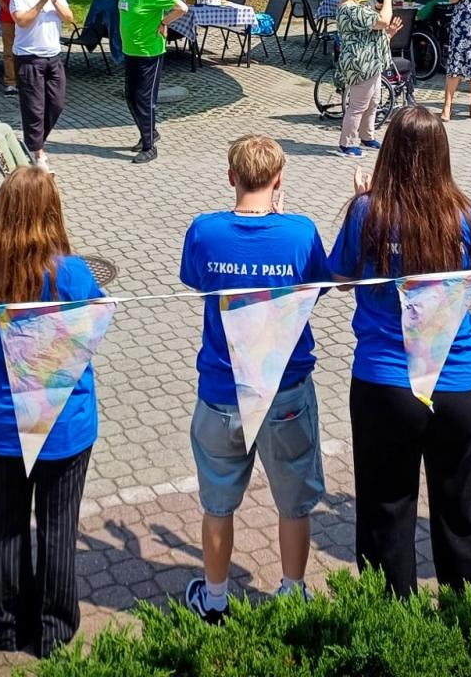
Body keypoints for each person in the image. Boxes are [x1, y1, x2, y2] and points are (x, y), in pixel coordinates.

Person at [329, 106, 471, 597]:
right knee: (463, 510)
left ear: (389, 155)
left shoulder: (368, 213)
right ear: (442, 155)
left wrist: (364, 205)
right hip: (461, 384)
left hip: (385, 387)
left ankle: (391, 629)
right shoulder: (467, 215)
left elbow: (340, 282)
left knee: (386, 509)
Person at [179, 135, 331, 621]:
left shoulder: (204, 231)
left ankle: (216, 598)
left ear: (230, 177)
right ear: (280, 179)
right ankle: (291, 590)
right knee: (294, 503)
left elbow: (199, 280)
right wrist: (281, 224)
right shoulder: (301, 232)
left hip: (222, 393)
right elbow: (313, 292)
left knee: (218, 504)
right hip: (286, 391)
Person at [0, 167, 105, 657]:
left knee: (5, 525)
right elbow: (96, 326)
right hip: (65, 424)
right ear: (52, 212)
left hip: (3, 422)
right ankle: (52, 630)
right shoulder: (72, 272)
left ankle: (7, 626)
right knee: (58, 529)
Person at [117, 0, 186, 164]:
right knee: (130, 96)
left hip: (150, 52)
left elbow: (182, 7)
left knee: (144, 99)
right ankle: (150, 132)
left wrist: (164, 22)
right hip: (130, 49)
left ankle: (149, 147)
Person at [10, 0, 74, 171]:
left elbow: (69, 18)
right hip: (29, 59)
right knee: (34, 108)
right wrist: (40, 3)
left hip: (53, 58)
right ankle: (38, 153)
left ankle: (33, 141)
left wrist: (53, 1)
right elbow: (22, 21)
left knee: (56, 104)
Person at [334, 0, 396, 157]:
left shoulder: (354, 7)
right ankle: (347, 143)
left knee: (373, 101)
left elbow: (375, 26)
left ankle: (366, 136)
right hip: (361, 64)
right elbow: (383, 21)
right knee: (358, 106)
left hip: (371, 63)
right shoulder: (350, 9)